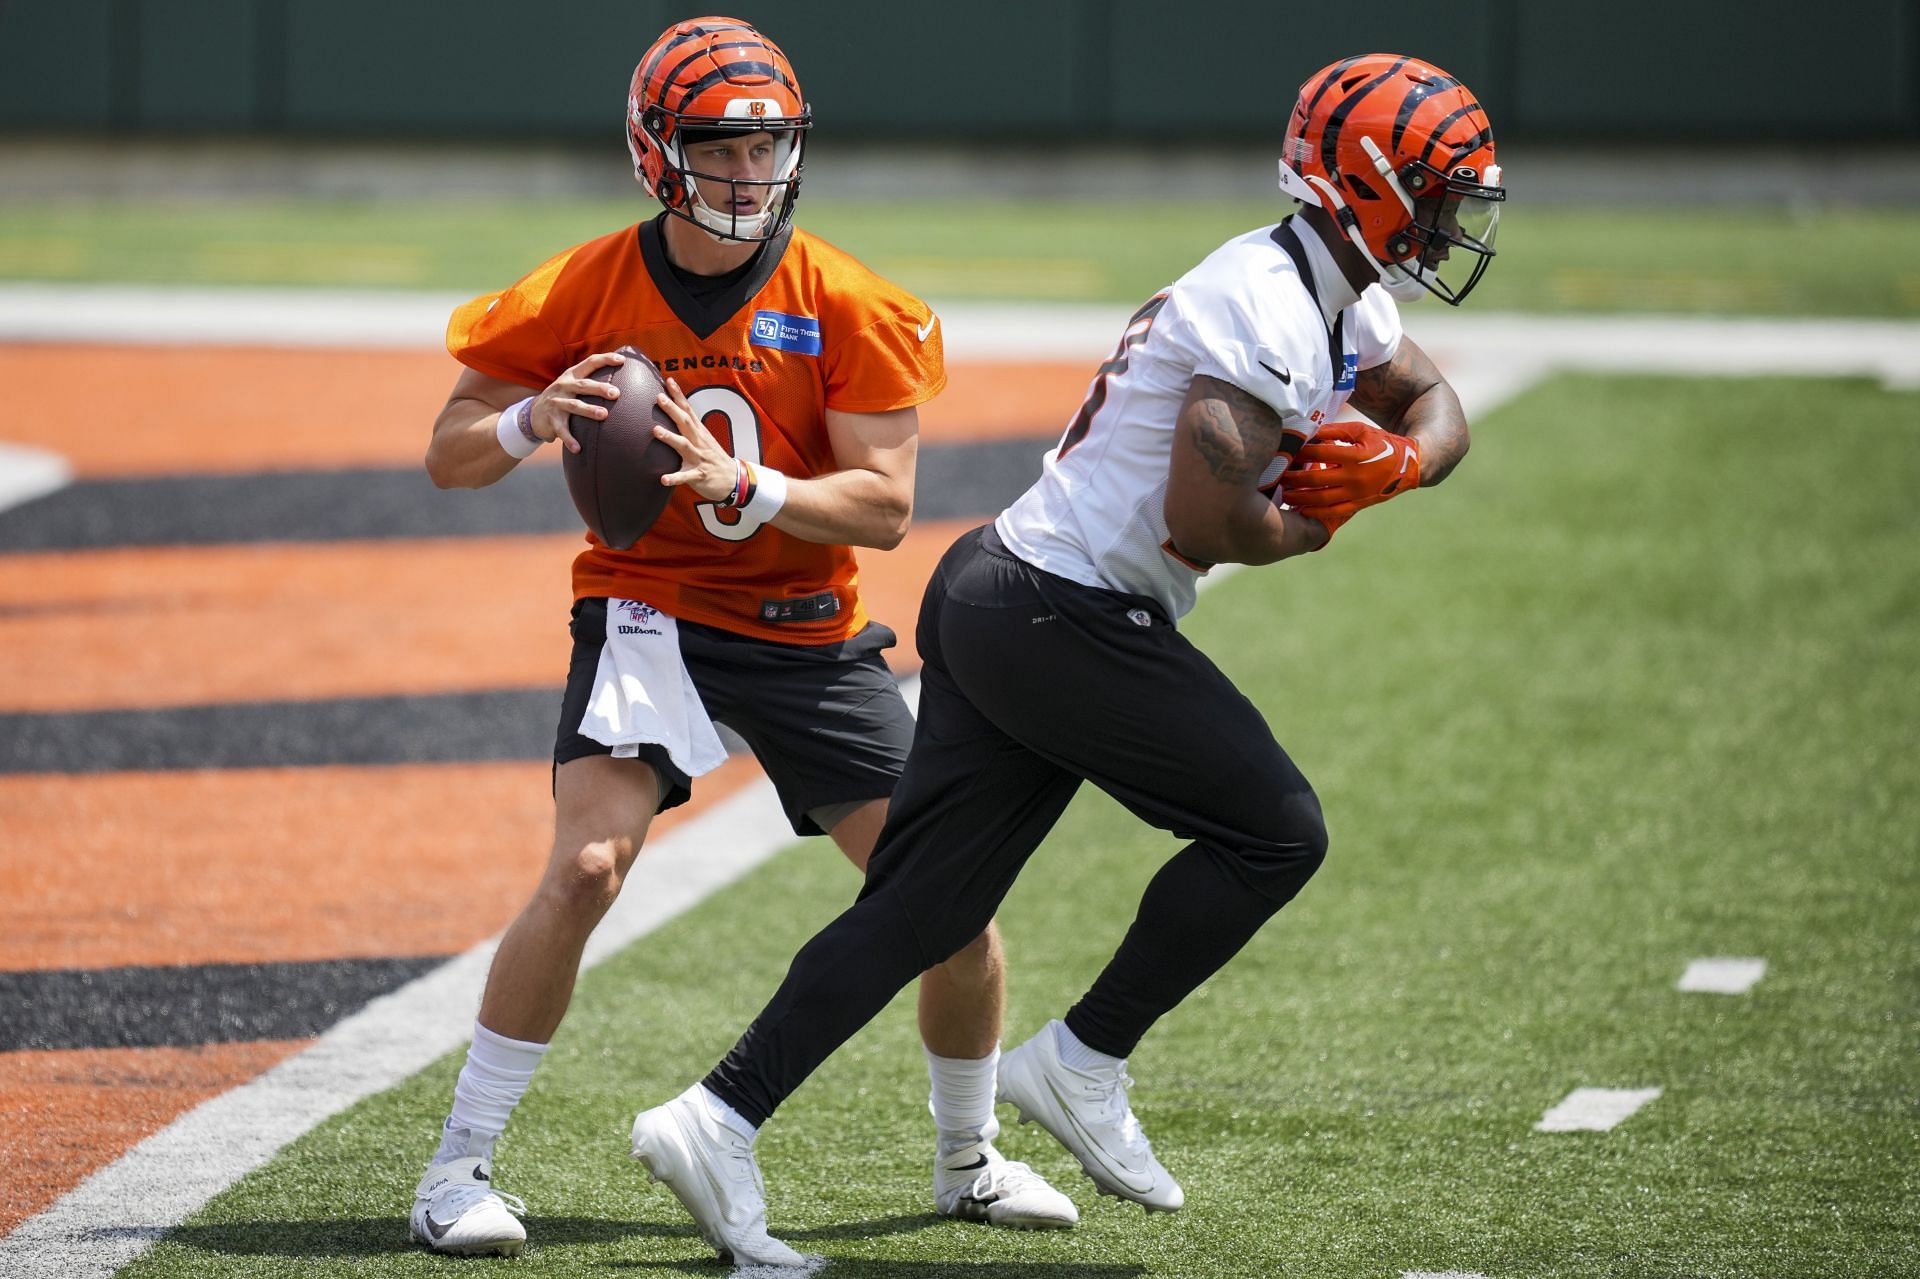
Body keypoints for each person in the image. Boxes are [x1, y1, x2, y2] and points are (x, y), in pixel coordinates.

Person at [627, 53, 1507, 1264]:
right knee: (1279, 830)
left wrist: (1401, 463)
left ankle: (715, 1114)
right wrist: (1321, 516)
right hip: (1063, 609)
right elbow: (1207, 524)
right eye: (1438, 190)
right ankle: (1086, 1056)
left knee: (923, 905)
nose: (1454, 218)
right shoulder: (1265, 302)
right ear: (1369, 182)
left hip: (1005, 592)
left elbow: (1435, 405)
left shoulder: (1336, 291)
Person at [410, 15, 1073, 1260]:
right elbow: (448, 454)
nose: (748, 171)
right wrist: (526, 422)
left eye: (768, 145)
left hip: (809, 630)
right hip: (647, 609)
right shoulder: (578, 287)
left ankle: (966, 1159)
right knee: (587, 867)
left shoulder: (849, 299)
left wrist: (743, 484)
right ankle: (455, 1170)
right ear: (658, 152)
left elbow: (882, 509)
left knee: (955, 902)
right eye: (720, 145)